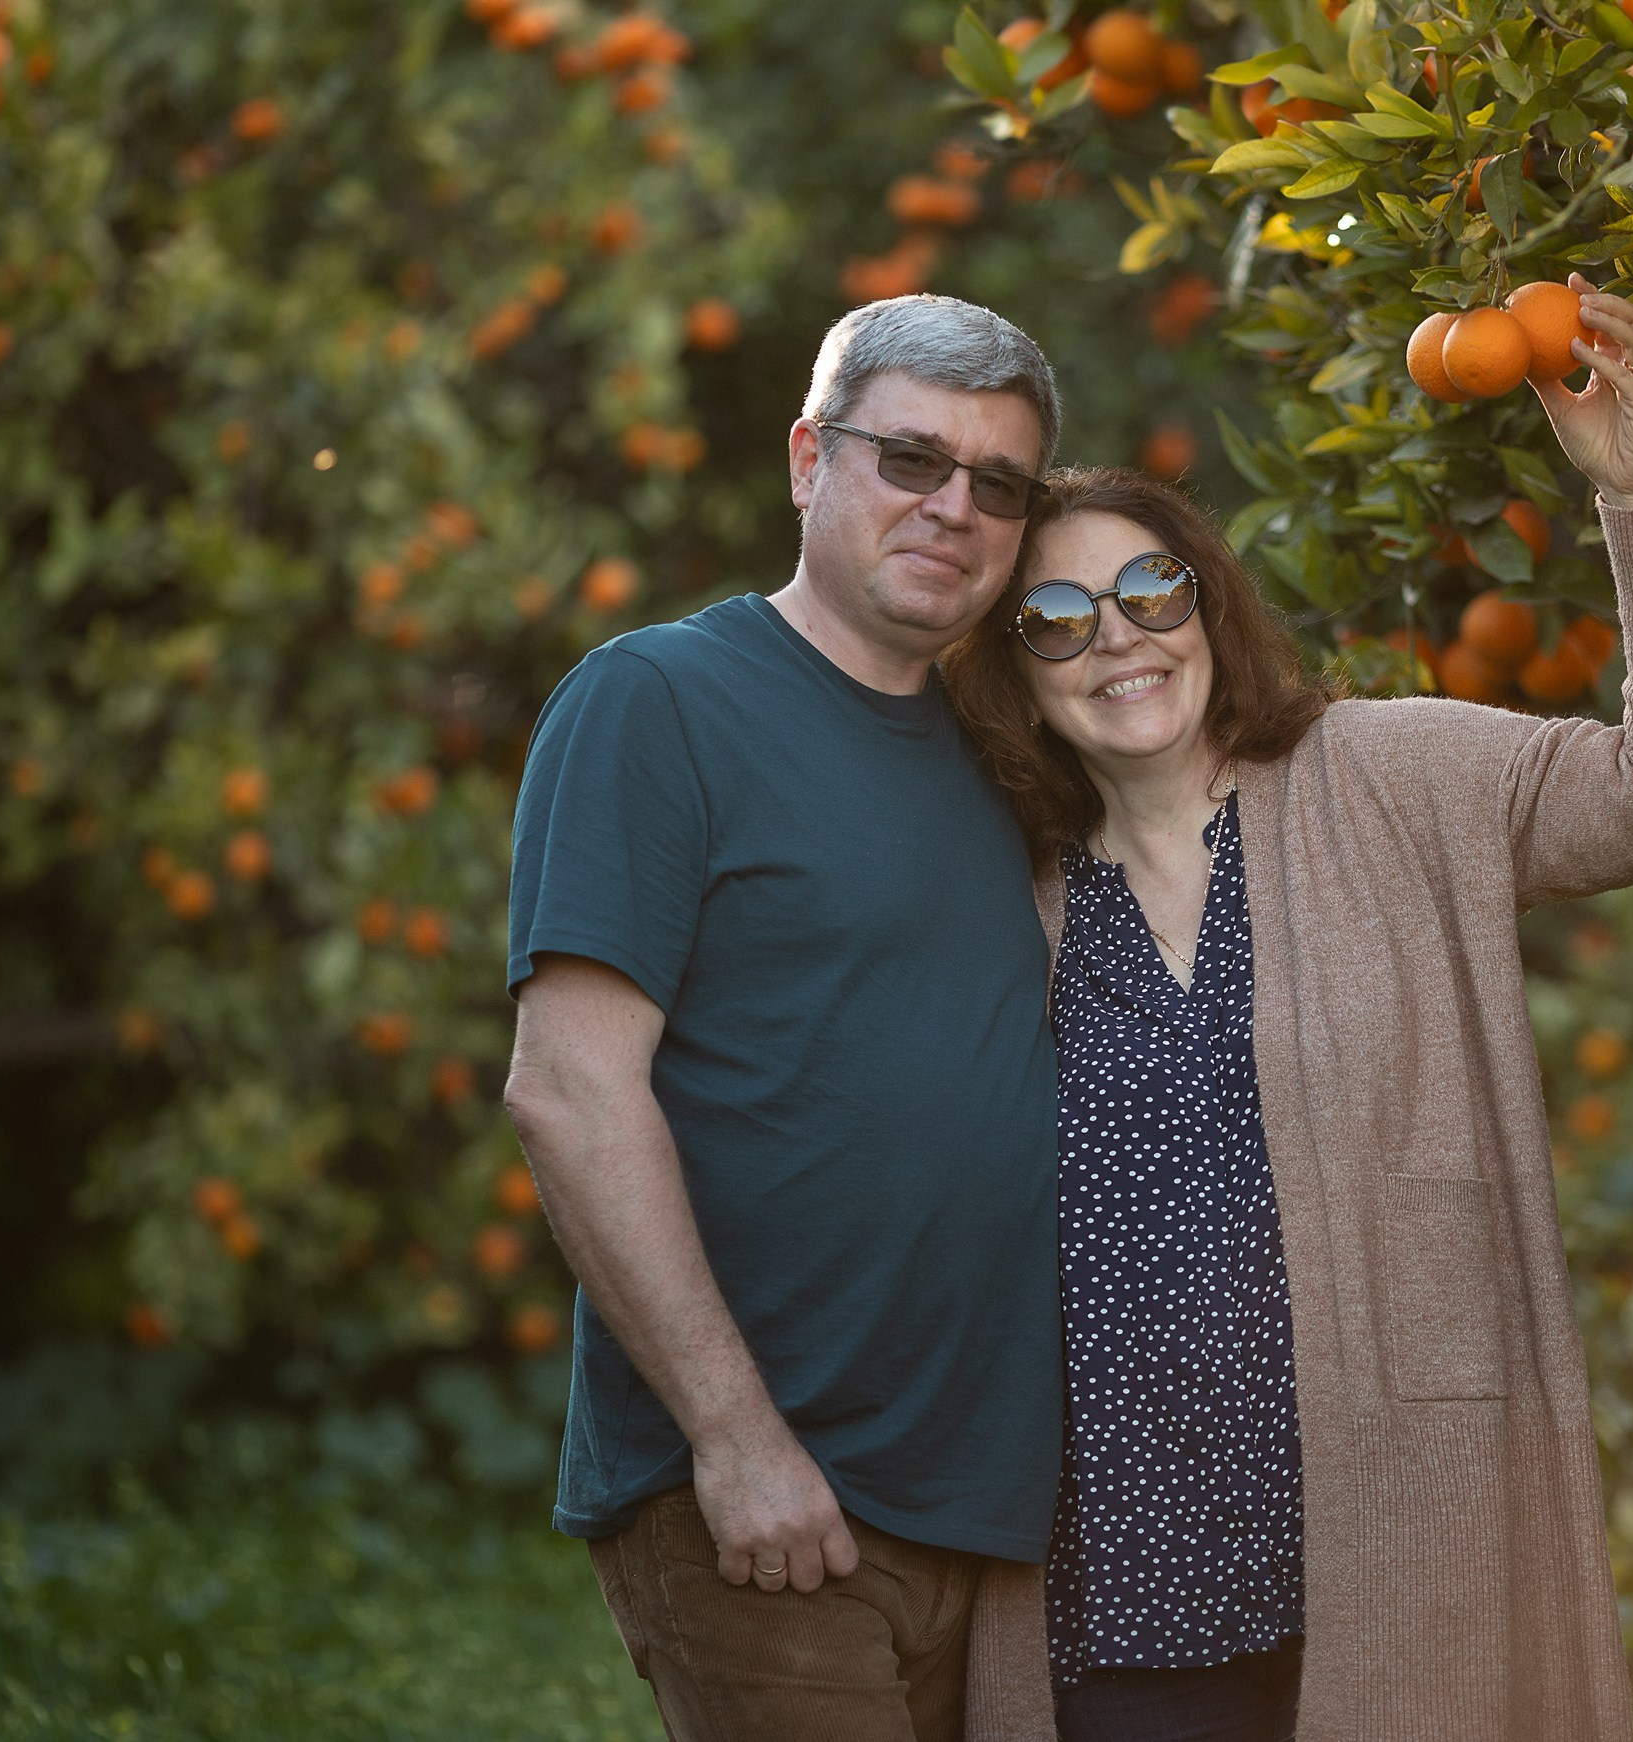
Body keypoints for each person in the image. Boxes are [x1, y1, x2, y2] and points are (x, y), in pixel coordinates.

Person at [942, 278, 1633, 1742]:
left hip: (1387, 1523)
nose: (1115, 640)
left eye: (1149, 593)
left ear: (1203, 601)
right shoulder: (998, 893)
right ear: (1015, 666)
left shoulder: (1384, 774)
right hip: (1111, 1572)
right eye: (1054, 619)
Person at [502, 295, 1070, 1742]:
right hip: (768, 1502)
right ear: (811, 457)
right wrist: (735, 1439)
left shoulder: (1010, 757)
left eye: (997, 484)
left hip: (994, 1523)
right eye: (910, 459)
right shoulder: (658, 700)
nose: (952, 506)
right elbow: (568, 1090)